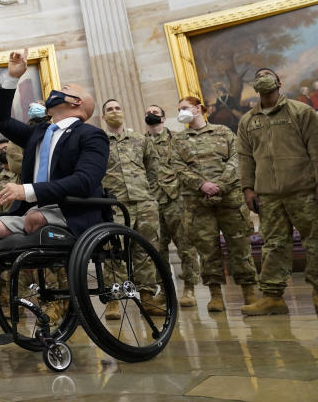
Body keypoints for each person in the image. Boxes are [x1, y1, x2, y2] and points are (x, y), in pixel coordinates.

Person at [0, 48, 109, 238]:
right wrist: (12, 77)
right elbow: (0, 119)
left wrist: (26, 190)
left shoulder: (91, 135)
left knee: (34, 219)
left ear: (76, 102)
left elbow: (84, 181)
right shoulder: (39, 133)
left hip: (72, 210)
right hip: (34, 209)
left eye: (64, 89)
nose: (55, 92)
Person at [237, 68, 318, 316]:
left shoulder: (301, 111)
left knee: (315, 241)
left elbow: (316, 149)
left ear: (278, 83)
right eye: (258, 75)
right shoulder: (248, 120)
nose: (262, 77)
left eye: (267, 74)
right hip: (268, 195)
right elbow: (245, 158)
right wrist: (248, 189)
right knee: (273, 245)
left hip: (302, 190)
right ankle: (273, 297)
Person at [170, 96, 258, 313]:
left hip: (229, 200)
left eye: (185, 108)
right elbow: (178, 167)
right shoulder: (179, 140)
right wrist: (202, 184)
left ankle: (250, 294)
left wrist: (219, 184)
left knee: (240, 247)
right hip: (199, 204)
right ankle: (216, 295)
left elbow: (236, 158)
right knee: (208, 250)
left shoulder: (223, 132)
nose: (181, 112)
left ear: (199, 109)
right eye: (179, 108)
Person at [100, 99, 165, 317]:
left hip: (144, 202)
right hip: (114, 205)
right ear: (103, 116)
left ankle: (147, 298)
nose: (114, 112)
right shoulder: (98, 142)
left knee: (145, 251)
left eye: (118, 108)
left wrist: (151, 197)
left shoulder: (140, 139)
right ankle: (114, 301)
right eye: (110, 109)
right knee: (112, 252)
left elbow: (153, 170)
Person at [144, 105, 200, 308]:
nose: (151, 115)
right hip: (152, 201)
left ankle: (189, 288)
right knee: (157, 250)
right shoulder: (141, 143)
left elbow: (192, 165)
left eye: (155, 113)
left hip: (177, 199)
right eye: (148, 113)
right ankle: (165, 290)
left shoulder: (178, 139)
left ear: (164, 118)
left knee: (186, 246)